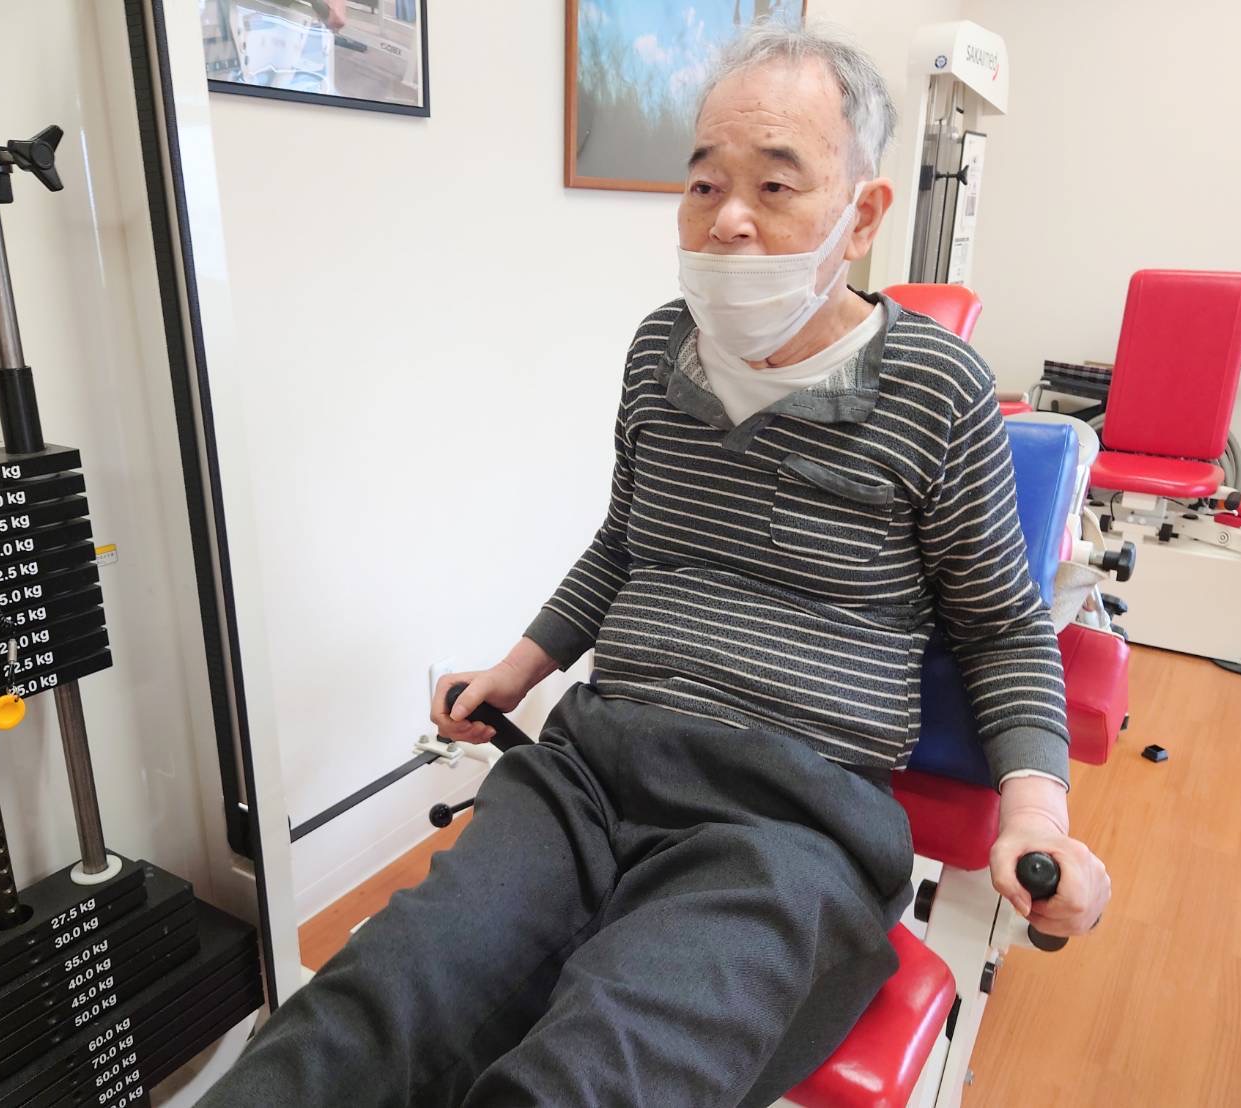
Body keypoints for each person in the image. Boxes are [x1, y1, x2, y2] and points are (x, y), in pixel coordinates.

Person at [200, 22, 1110, 1108]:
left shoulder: (936, 388)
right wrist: (516, 672)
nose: (727, 219)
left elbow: (1001, 626)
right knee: (365, 1011)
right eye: (703, 183)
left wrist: (1035, 817)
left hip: (790, 819)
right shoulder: (657, 351)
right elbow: (625, 543)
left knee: (587, 1078)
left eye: (775, 186)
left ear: (863, 215)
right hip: (592, 770)